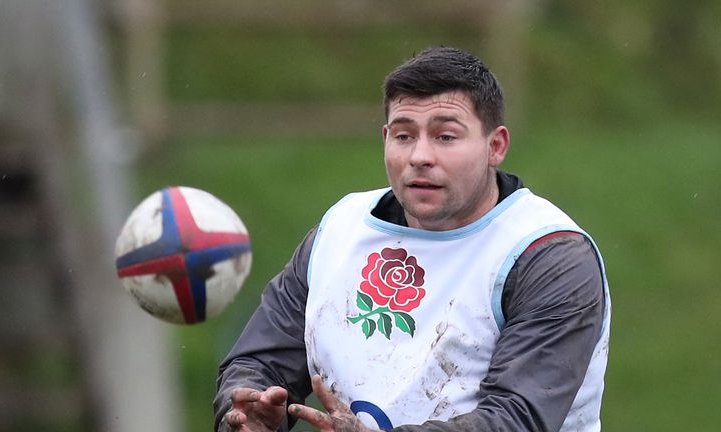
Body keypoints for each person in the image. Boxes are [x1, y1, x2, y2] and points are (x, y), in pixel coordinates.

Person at [213, 46, 610, 432]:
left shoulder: (549, 255)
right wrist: (248, 412)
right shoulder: (339, 230)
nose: (420, 155)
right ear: (384, 138)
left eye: (445, 137)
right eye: (404, 136)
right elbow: (260, 360)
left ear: (496, 146)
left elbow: (517, 418)